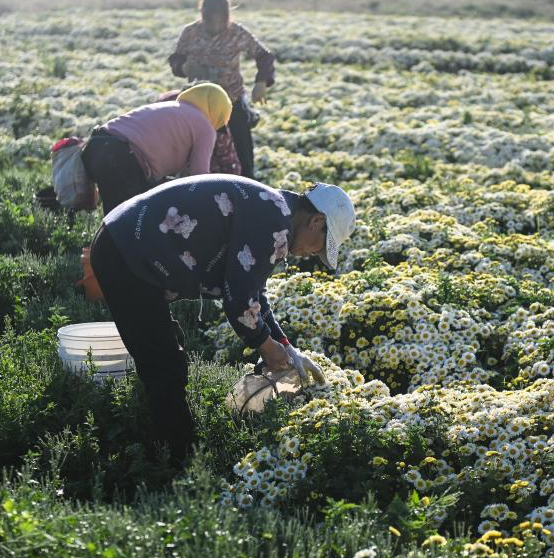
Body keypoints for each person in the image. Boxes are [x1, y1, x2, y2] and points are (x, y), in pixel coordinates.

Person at [88, 175, 357, 463]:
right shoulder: (272, 222)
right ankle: (179, 465)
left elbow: (253, 293)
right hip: (126, 253)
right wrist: (266, 347)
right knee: (163, 366)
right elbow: (239, 302)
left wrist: (286, 348)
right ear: (316, 221)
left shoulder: (275, 211)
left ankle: (166, 442)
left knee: (166, 350)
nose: (312, 254)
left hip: (125, 242)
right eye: (320, 245)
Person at [169, 0, 275, 178]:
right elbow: (176, 59)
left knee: (242, 158)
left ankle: (246, 190)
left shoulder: (237, 33)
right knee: (199, 158)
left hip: (231, 102)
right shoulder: (191, 32)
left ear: (227, 16)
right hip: (199, 106)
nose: (216, 24)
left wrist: (261, 82)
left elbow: (264, 56)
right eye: (211, 20)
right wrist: (184, 67)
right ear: (203, 16)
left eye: (221, 19)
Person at [81, 83, 231, 216]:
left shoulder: (170, 107)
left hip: (96, 145)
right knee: (128, 222)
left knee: (113, 219)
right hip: (121, 157)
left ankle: (97, 245)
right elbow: (199, 177)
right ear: (217, 112)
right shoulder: (205, 128)